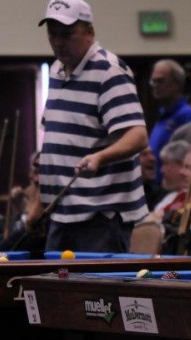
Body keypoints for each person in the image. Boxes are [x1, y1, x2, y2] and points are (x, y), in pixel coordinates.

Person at [37, 0, 149, 253]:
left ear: (89, 32)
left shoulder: (109, 71)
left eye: (67, 34)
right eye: (53, 34)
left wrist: (100, 157)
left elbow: (138, 136)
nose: (58, 42)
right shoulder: (56, 70)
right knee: (56, 280)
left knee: (94, 281)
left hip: (100, 214)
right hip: (61, 211)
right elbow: (55, 136)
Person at [148, 59, 191, 187]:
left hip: (175, 186)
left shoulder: (186, 114)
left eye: (160, 81)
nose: (155, 85)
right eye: (153, 81)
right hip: (159, 185)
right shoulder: (163, 114)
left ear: (177, 84)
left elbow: (188, 157)